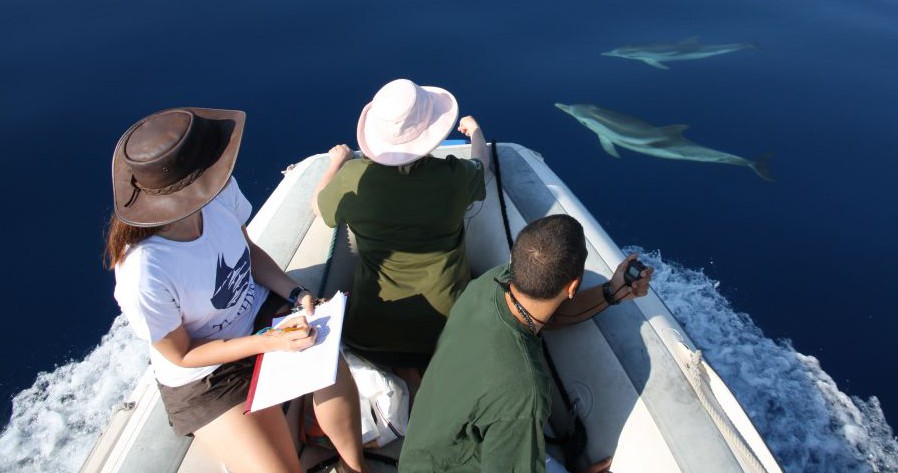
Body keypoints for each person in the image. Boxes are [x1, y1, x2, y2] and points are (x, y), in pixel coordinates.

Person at [105, 108, 366, 473]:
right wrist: (268, 342)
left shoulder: (218, 192)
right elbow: (181, 355)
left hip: (261, 317)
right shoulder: (143, 271)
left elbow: (249, 253)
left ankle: (357, 468)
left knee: (332, 369)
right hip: (205, 376)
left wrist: (295, 294)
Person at [398, 214, 654, 473]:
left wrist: (612, 291)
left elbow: (548, 314)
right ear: (573, 286)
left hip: (428, 451)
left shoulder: (490, 284)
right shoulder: (525, 388)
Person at [312, 78, 489, 388]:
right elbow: (480, 165)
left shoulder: (354, 178)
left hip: (371, 331)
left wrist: (338, 162)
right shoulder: (453, 178)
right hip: (446, 326)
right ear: (432, 132)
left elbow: (319, 207)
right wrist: (475, 132)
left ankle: (406, 374)